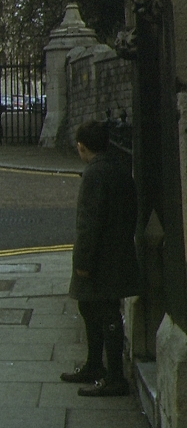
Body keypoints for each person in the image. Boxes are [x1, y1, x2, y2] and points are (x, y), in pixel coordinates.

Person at [60, 120, 141, 397]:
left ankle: (114, 376)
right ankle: (95, 365)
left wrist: (82, 262)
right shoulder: (119, 167)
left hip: (101, 258)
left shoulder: (94, 174)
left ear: (82, 147)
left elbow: (88, 223)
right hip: (117, 251)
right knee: (90, 307)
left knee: (105, 312)